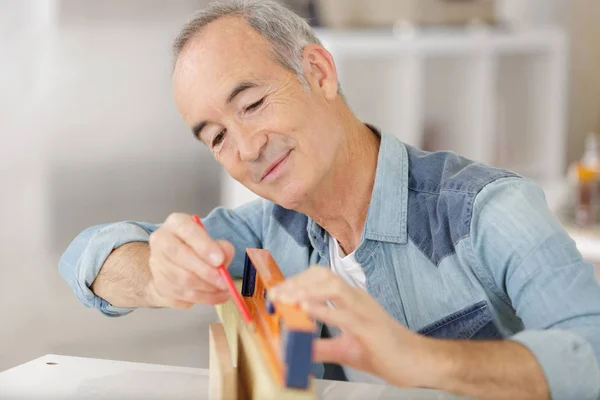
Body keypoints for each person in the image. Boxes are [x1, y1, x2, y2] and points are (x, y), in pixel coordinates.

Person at [59, 1, 600, 398]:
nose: (246, 148)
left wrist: (421, 359)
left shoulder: (486, 211)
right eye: (217, 137)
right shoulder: (267, 235)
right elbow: (86, 255)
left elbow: (592, 358)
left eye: (251, 104)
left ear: (318, 73)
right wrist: (155, 276)